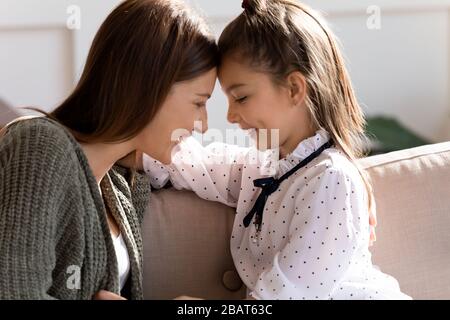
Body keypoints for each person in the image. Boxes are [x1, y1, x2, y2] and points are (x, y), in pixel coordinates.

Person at [143, 0, 411, 300]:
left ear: (295, 89)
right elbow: (189, 164)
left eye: (241, 97)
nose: (230, 116)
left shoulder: (332, 180)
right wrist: (136, 139)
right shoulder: (264, 167)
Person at [0, 0, 218, 299]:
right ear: (148, 87)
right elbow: (14, 292)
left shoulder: (123, 187)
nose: (203, 124)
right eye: (199, 102)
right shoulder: (41, 146)